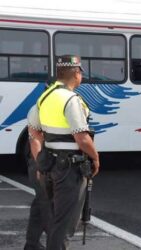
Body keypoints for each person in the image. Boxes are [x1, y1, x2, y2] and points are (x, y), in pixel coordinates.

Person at [26, 55, 100, 250]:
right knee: (65, 224)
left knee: (56, 220)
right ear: (76, 73)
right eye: (80, 72)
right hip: (70, 169)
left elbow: (34, 131)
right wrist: (95, 157)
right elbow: (82, 138)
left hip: (51, 165)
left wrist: (42, 158)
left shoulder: (45, 97)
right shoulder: (70, 99)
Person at [24, 126, 50, 250]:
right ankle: (56, 245)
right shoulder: (40, 110)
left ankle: (32, 244)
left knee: (40, 205)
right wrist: (40, 166)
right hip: (43, 162)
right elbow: (35, 139)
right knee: (50, 207)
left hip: (43, 161)